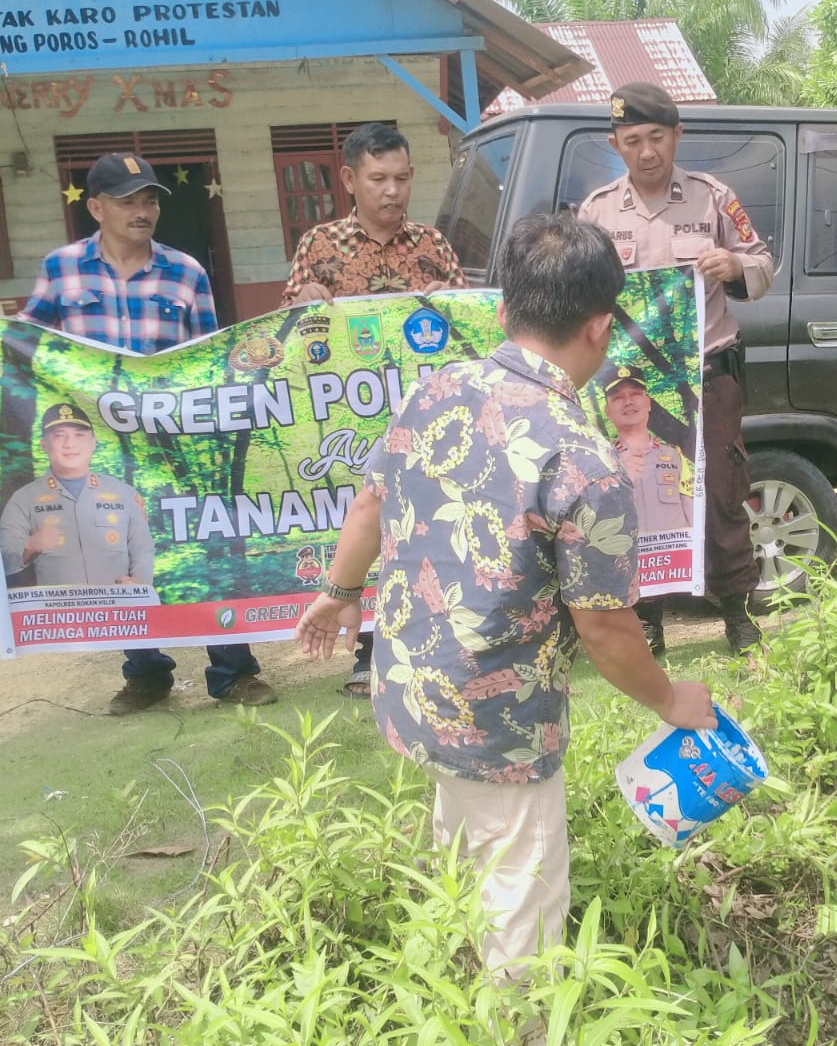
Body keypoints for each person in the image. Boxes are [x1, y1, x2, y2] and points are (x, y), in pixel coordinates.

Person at [294, 213, 716, 981]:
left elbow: (368, 507)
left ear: (501, 311)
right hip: (499, 721)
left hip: (410, 686)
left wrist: (338, 592)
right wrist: (670, 699)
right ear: (599, 329)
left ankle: (453, 987)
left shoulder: (436, 387)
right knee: (522, 897)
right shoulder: (584, 459)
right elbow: (606, 631)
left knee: (459, 854)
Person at [0, 152, 275, 714]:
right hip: (100, 447)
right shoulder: (63, 270)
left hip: (171, 442)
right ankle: (146, 674)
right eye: (127, 201)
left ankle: (233, 671)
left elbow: (207, 362)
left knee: (197, 543)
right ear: (95, 208)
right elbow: (26, 342)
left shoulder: (186, 272)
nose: (142, 211)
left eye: (149, 200)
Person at [578, 82, 773, 656]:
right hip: (628, 385)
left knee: (720, 496)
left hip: (708, 376)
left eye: (657, 137)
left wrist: (733, 264)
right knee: (638, 498)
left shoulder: (712, 198)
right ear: (616, 144)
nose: (646, 152)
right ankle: (649, 623)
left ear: (677, 135)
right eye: (633, 140)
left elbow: (762, 264)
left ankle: (739, 616)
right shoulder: (597, 211)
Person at [280, 121, 468, 699]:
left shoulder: (432, 246)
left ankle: (425, 644)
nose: (393, 191)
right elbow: (287, 333)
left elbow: (470, 324)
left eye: (403, 179)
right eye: (379, 178)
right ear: (349, 179)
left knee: (426, 530)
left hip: (425, 420)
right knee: (365, 531)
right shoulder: (318, 247)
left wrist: (451, 305)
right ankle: (366, 651)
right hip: (350, 426)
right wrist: (302, 302)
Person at [0, 403, 154, 587]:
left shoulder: (124, 494)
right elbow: (1, 559)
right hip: (58, 612)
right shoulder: (24, 499)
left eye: (79, 435)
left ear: (93, 443)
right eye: (59, 436)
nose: (69, 444)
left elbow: (143, 549)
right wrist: (29, 546)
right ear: (43, 445)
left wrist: (140, 585)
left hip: (119, 609)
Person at [604, 363, 693, 536]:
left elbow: (692, 513)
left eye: (636, 394)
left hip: (674, 559)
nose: (628, 401)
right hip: (626, 560)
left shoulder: (674, 455)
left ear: (649, 403)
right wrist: (617, 476)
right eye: (618, 397)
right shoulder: (600, 461)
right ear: (607, 411)